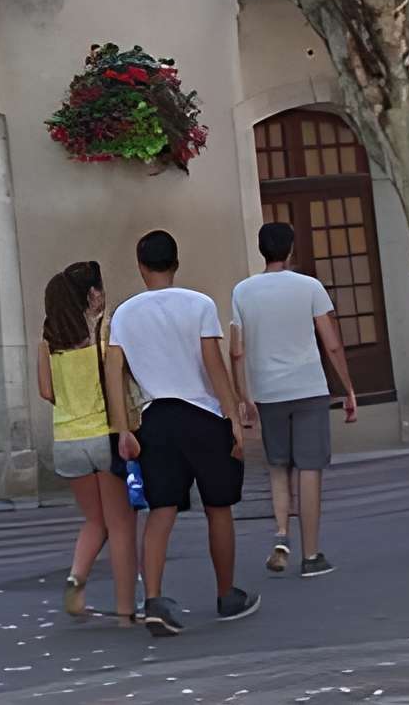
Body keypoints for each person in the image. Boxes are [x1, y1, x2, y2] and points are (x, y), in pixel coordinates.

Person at [111, 228, 258, 635]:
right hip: (203, 415)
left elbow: (114, 374)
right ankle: (227, 593)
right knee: (218, 507)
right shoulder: (199, 304)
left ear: (141, 267)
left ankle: (154, 598)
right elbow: (213, 364)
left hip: (155, 418)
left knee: (161, 510)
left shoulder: (124, 314)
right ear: (176, 263)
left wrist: (123, 428)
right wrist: (233, 416)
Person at [230, 221, 360, 576]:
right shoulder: (310, 287)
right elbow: (331, 343)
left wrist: (243, 397)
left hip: (268, 391)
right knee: (309, 467)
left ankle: (281, 535)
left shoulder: (243, 291)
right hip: (308, 387)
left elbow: (237, 350)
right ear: (290, 249)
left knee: (277, 466)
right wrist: (347, 387)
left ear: (262, 250)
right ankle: (311, 554)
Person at [34, 259, 138, 623]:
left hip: (66, 440)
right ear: (92, 295)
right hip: (102, 436)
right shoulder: (103, 341)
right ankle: (126, 609)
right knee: (121, 525)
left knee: (95, 520)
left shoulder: (48, 344)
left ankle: (76, 580)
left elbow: (46, 391)